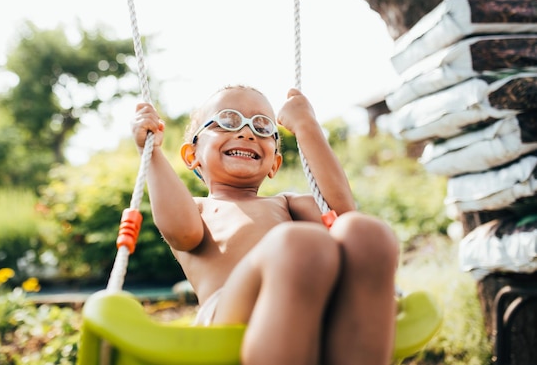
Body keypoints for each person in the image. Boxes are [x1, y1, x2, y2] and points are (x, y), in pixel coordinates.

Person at [131, 85, 399, 365]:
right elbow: (182, 233)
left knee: (367, 233)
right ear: (192, 155)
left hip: (310, 307)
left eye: (262, 127)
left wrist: (307, 126)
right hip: (227, 314)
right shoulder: (198, 209)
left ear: (275, 163)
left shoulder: (286, 205)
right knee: (298, 242)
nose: (247, 133)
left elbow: (341, 217)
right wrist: (150, 152)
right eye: (227, 121)